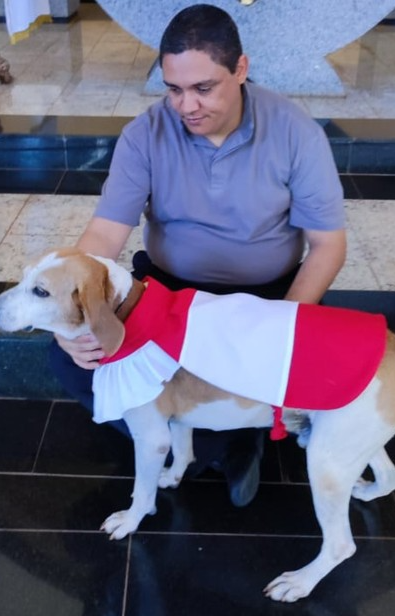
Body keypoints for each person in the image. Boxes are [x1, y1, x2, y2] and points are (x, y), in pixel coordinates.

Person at [49, 3, 347, 507]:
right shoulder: (145, 134)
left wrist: (283, 323)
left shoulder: (296, 132)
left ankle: (209, 434)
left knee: (288, 361)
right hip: (167, 291)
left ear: (241, 70)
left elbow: (327, 246)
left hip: (262, 297)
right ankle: (228, 441)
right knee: (72, 358)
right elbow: (104, 235)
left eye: (203, 88)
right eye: (174, 89)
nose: (187, 105)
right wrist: (72, 320)